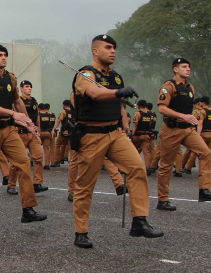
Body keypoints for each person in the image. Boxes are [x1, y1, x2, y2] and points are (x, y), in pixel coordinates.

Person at [70, 34, 160, 248]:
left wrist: (126, 127)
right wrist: (117, 91)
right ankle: (81, 232)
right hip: (92, 135)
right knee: (85, 185)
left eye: (114, 48)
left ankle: (139, 220)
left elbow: (119, 105)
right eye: (108, 47)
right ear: (95, 51)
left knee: (138, 168)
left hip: (116, 132)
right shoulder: (86, 74)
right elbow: (94, 93)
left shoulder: (116, 77)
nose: (113, 51)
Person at [0, 44, 47, 229]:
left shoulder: (10, 78)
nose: (3, 58)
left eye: (5, 55)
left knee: (23, 164)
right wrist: (13, 114)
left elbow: (17, 101)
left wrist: (29, 122)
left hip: (9, 130)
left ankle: (28, 209)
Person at [155, 58, 211, 211]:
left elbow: (187, 108)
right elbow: (162, 109)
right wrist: (183, 116)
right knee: (166, 165)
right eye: (184, 67)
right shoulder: (169, 86)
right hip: (171, 129)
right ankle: (162, 200)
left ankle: (204, 190)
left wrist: (190, 118)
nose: (188, 69)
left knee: (206, 153)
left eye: (189, 67)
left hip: (187, 129)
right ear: (175, 69)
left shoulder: (190, 87)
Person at [7, 80, 48, 195]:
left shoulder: (34, 101)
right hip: (20, 133)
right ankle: (11, 185)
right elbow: (13, 117)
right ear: (21, 89)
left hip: (33, 134)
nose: (29, 88)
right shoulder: (17, 101)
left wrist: (38, 129)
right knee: (17, 161)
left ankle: (37, 183)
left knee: (39, 157)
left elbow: (37, 116)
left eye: (30, 86)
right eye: (26, 87)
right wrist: (25, 124)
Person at [131, 100, 156, 173]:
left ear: (139, 105)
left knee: (131, 149)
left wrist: (132, 134)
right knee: (146, 152)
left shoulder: (138, 113)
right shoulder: (149, 114)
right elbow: (150, 124)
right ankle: (148, 167)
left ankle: (131, 165)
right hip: (146, 136)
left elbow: (135, 125)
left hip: (138, 135)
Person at [38, 103, 56, 170]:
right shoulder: (51, 115)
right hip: (48, 132)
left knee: (36, 147)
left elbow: (37, 123)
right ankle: (47, 164)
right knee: (47, 149)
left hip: (40, 132)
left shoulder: (39, 114)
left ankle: (32, 161)